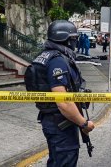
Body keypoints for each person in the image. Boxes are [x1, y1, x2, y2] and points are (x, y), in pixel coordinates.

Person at [29, 20, 95, 167]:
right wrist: (83, 123)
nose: (75, 42)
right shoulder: (57, 61)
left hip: (55, 121)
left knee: (56, 161)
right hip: (60, 123)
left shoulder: (48, 55)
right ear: (66, 39)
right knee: (64, 161)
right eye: (73, 39)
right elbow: (63, 101)